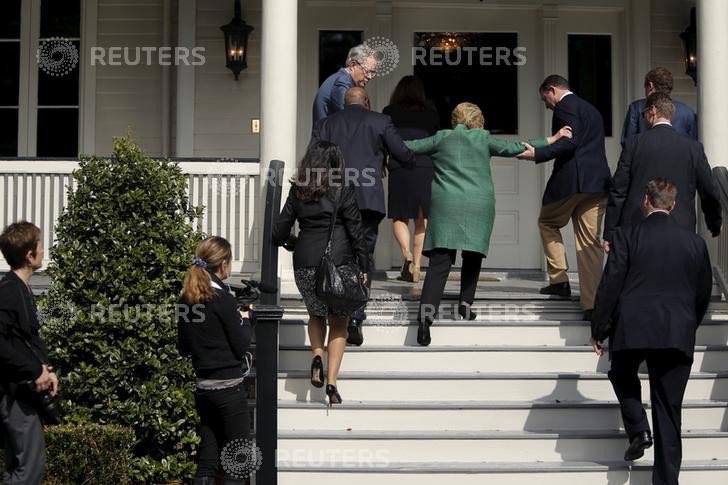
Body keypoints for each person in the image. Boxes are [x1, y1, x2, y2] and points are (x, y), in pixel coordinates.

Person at [406, 102, 571, 346]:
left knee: (439, 262)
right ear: (477, 119)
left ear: (456, 119)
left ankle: (424, 322)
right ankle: (465, 304)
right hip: (477, 204)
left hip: (446, 205)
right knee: (472, 255)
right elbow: (517, 147)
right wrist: (554, 137)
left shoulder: (442, 137)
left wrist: (375, 142)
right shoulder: (483, 139)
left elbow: (409, 147)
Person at [590, 179, 713, 485]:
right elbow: (703, 293)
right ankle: (666, 481)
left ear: (646, 201)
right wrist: (688, 324)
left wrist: (599, 329)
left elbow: (611, 285)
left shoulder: (626, 236)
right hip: (677, 330)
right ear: (673, 205)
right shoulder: (695, 243)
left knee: (620, 372)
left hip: (633, 327)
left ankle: (638, 428)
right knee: (669, 410)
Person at [311, 87, 415, 346]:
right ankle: (355, 316)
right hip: (367, 200)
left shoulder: (326, 124)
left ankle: (335, 311)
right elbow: (402, 153)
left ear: (344, 104)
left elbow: (314, 159)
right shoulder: (380, 121)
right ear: (366, 103)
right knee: (363, 255)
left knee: (333, 253)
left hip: (333, 198)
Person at [272, 141, 369, 405]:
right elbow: (355, 229)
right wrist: (363, 264)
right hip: (337, 263)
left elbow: (279, 231)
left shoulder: (298, 190)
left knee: (316, 313)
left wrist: (294, 243)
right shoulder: (343, 188)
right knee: (339, 321)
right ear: (335, 163)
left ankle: (316, 355)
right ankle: (332, 384)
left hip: (305, 263)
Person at [519, 74, 612, 321]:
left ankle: (559, 280)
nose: (546, 104)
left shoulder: (564, 107)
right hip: (597, 183)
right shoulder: (592, 110)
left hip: (573, 182)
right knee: (590, 242)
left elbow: (569, 143)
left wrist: (538, 153)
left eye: (545, 99)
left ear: (552, 90)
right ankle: (591, 306)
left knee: (547, 222)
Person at [177, 236, 253, 485]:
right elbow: (241, 345)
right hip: (229, 388)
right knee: (238, 461)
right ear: (223, 265)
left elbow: (184, 347)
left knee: (208, 458)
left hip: (203, 387)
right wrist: (245, 317)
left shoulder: (186, 300)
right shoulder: (223, 299)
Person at [603, 92, 721, 249]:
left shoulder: (634, 144)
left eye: (644, 113)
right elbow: (708, 190)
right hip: (681, 227)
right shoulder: (693, 148)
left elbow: (619, 190)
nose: (643, 117)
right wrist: (714, 222)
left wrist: (610, 233)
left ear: (652, 111)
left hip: (637, 226)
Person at [0, 221, 59, 484]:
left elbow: (26, 339)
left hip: (21, 390)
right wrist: (35, 370)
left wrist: (46, 368)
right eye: (40, 245)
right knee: (29, 471)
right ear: (29, 254)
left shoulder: (19, 288)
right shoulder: (9, 290)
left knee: (18, 466)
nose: (44, 251)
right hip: (14, 394)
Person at [383, 75, 439, 283]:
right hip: (425, 166)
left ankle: (406, 254)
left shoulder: (389, 112)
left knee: (400, 217)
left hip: (399, 166)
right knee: (422, 219)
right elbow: (435, 140)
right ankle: (416, 266)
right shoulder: (431, 113)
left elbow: (385, 139)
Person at [621, 66, 698, 146]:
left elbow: (627, 144)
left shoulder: (637, 108)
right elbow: (693, 144)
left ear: (650, 86)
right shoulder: (687, 112)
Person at [312, 44, 378, 123]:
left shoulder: (344, 80)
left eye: (372, 72)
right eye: (367, 71)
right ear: (353, 65)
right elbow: (349, 118)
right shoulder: (342, 82)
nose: (369, 77)